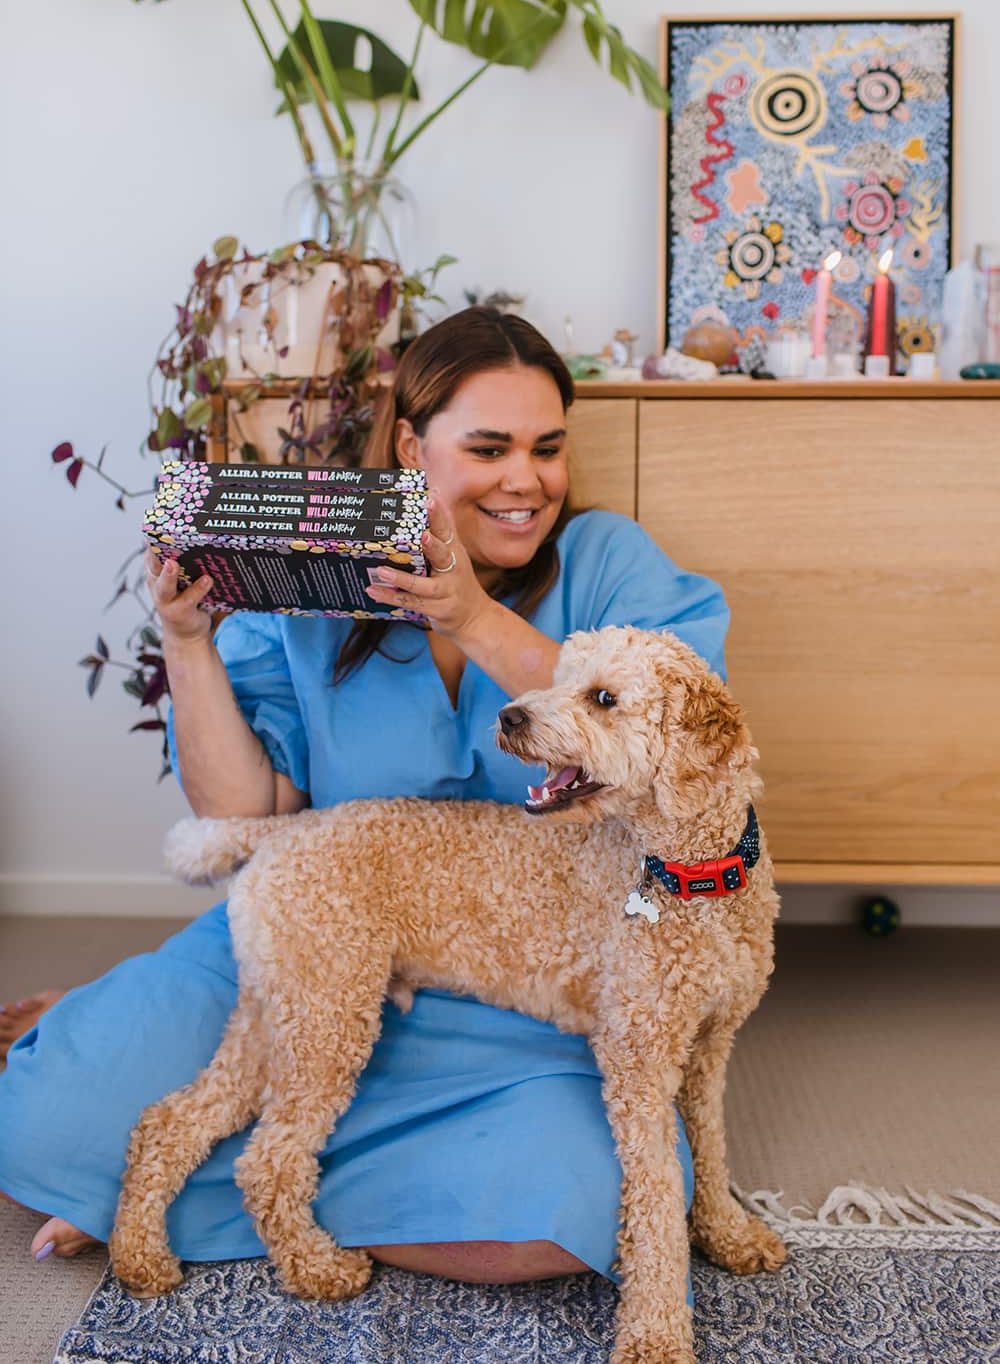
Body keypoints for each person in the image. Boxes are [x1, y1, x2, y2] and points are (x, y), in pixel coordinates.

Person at [0, 307, 729, 1298]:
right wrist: (187, 644)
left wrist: (471, 614)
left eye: (547, 448)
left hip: (533, 989)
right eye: (489, 450)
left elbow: (675, 735)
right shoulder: (319, 574)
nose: (526, 481)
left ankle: (228, 1188)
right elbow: (239, 806)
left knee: (582, 1211)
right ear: (410, 448)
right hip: (322, 937)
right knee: (42, 1120)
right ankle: (255, 1163)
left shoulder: (608, 560)